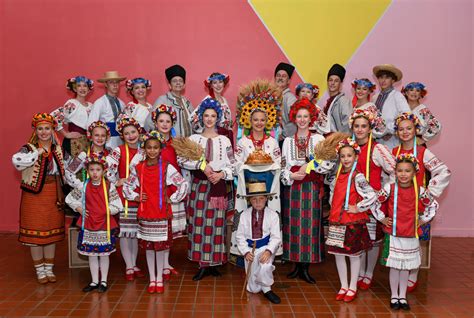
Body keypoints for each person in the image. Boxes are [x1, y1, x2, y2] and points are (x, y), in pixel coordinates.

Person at [176, 98, 235, 281]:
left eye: (213, 116)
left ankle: (214, 263)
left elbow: (233, 164)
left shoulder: (224, 140)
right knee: (198, 224)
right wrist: (202, 166)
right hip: (199, 186)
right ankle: (202, 263)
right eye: (206, 116)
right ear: (201, 117)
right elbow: (182, 160)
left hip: (217, 186)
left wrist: (222, 174)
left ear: (218, 118)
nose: (209, 119)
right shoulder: (194, 139)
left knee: (217, 225)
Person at [124, 131, 188, 294]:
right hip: (146, 214)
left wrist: (172, 198)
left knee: (159, 248)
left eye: (156, 147)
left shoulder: (167, 167)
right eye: (149, 147)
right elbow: (127, 187)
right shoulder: (138, 168)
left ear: (160, 149)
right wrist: (136, 196)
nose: (152, 150)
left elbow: (183, 184)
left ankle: (159, 278)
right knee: (149, 248)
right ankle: (152, 278)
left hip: (161, 214)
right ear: (144, 149)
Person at [392, 113, 451, 292]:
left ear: (416, 130)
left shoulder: (423, 152)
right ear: (397, 132)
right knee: (400, 241)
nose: (405, 132)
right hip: (398, 204)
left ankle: (413, 273)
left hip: (416, 203)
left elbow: (443, 171)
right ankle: (400, 274)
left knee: (417, 239)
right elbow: (388, 177)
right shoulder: (394, 152)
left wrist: (429, 192)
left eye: (409, 128)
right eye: (401, 129)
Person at [373, 153, 438, 310]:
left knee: (406, 267)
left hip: (410, 234)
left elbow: (433, 205)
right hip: (395, 234)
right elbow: (374, 201)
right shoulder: (389, 188)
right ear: (395, 172)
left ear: (414, 172)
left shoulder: (420, 191)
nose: (403, 174)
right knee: (395, 266)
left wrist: (424, 219)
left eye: (407, 171)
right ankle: (394, 296)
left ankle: (402, 296)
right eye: (400, 170)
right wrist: (381, 218)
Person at [281, 98, 335, 284]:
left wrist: (309, 166)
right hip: (293, 189)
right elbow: (282, 166)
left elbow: (328, 163)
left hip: (311, 188)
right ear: (294, 118)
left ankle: (306, 267)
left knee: (310, 226)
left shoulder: (319, 139)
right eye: (299, 116)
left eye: (305, 116)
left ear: (311, 118)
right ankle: (295, 264)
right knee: (293, 225)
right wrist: (290, 175)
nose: (302, 120)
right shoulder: (287, 141)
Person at [12, 113, 67, 284]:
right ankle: (39, 270)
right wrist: (39, 152)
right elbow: (17, 162)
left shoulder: (58, 148)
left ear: (52, 130)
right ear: (36, 130)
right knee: (35, 233)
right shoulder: (28, 148)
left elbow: (68, 170)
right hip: (33, 195)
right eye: (40, 129)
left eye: (47, 128)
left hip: (53, 192)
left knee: (51, 232)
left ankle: (49, 268)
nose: (44, 132)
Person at [233, 79, 282, 262]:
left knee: (267, 217)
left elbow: (277, 162)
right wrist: (247, 166)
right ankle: (245, 254)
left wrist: (270, 166)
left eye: (262, 120)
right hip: (248, 183)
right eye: (255, 120)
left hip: (268, 182)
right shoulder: (243, 142)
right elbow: (236, 164)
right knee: (248, 217)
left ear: (267, 121)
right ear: (249, 121)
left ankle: (267, 253)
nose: (259, 123)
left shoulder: (272, 142)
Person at [348, 109, 395, 290]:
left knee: (373, 240)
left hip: (373, 202)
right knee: (358, 239)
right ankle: (359, 272)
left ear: (370, 129)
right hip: (355, 202)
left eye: (363, 126)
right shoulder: (349, 147)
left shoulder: (377, 149)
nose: (360, 130)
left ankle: (369, 273)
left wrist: (384, 192)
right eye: (357, 126)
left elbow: (394, 171)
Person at [327, 138, 376, 302]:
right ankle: (343, 285)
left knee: (353, 255)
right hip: (337, 221)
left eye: (349, 155)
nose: (346, 159)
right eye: (342, 156)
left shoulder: (358, 176)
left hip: (352, 222)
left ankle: (353, 286)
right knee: (338, 255)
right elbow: (333, 196)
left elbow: (371, 195)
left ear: (355, 156)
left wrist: (358, 207)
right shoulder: (337, 176)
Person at [65, 154, 122, 293]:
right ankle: (94, 280)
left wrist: (106, 211)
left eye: (98, 169)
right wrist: (79, 209)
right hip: (89, 224)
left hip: (104, 225)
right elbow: (70, 199)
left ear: (103, 171)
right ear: (87, 171)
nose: (95, 173)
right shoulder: (83, 186)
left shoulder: (109, 187)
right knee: (91, 254)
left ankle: (103, 281)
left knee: (103, 254)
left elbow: (117, 205)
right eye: (92, 170)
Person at [106, 117, 145, 281]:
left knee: (134, 232)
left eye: (133, 132)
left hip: (140, 195)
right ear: (122, 135)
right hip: (124, 197)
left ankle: (134, 263)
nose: (130, 136)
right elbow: (107, 170)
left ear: (139, 132)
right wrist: (116, 181)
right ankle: (129, 266)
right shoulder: (118, 151)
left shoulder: (144, 151)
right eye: (126, 133)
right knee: (125, 232)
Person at [149, 105, 183, 280]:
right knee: (158, 228)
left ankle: (165, 263)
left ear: (172, 123)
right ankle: (158, 266)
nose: (164, 124)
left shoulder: (177, 143)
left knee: (168, 229)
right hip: (155, 192)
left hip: (172, 190)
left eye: (167, 121)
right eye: (161, 121)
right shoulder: (150, 143)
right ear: (155, 122)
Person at [236, 182, 282, 304]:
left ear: (266, 199)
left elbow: (276, 237)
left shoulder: (273, 215)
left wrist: (268, 251)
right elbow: (239, 237)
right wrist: (245, 252)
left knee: (265, 266)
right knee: (253, 289)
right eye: (254, 199)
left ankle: (267, 290)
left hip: (265, 247)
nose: (258, 202)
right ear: (250, 200)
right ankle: (259, 285)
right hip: (250, 249)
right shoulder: (244, 215)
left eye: (261, 199)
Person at [51, 76, 94, 157]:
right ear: (75, 89)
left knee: (86, 166)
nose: (82, 88)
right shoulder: (72, 104)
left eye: (85, 86)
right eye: (79, 86)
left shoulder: (91, 106)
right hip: (73, 142)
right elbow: (54, 117)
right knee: (73, 167)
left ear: (88, 89)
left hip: (88, 141)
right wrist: (66, 134)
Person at [372, 64, 410, 149]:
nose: (383, 80)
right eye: (381, 77)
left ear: (393, 80)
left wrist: (391, 131)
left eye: (387, 77)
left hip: (392, 141)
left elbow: (406, 116)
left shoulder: (397, 96)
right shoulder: (375, 97)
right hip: (375, 140)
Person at [65, 121, 111, 190]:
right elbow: (69, 172)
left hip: (105, 193)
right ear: (91, 136)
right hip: (88, 193)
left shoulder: (110, 155)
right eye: (96, 135)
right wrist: (81, 186)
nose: (100, 138)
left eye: (103, 135)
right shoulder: (84, 155)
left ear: (107, 137)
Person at [151, 64, 194, 137]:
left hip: (188, 144)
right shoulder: (162, 100)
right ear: (169, 85)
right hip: (170, 144)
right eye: (174, 81)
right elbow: (150, 122)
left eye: (180, 80)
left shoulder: (187, 103)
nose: (178, 83)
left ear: (184, 85)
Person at [88, 71, 127, 149]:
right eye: (111, 82)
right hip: (107, 141)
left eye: (117, 82)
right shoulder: (100, 102)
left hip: (121, 140)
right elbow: (91, 123)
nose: (115, 85)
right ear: (106, 84)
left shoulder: (122, 103)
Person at [191, 72, 233, 143]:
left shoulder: (224, 100)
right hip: (213, 137)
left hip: (225, 138)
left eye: (220, 82)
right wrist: (206, 131)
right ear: (211, 85)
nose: (218, 85)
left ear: (224, 84)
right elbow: (192, 119)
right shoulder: (208, 100)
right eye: (215, 82)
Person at [323, 64, 353, 133]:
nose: (332, 83)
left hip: (339, 141)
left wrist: (342, 142)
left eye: (336, 81)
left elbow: (348, 124)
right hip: (328, 140)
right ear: (327, 82)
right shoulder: (329, 101)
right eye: (330, 80)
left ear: (341, 83)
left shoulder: (344, 101)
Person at [274, 62, 297, 144]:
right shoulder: (271, 97)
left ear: (289, 81)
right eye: (278, 75)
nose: (280, 78)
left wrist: (283, 136)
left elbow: (294, 122)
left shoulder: (290, 98)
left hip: (285, 141)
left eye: (284, 76)